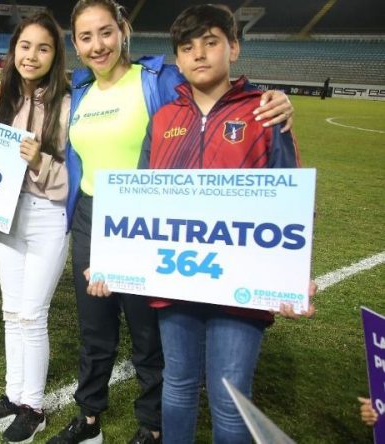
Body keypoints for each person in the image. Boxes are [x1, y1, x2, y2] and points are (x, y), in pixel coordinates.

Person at [48, 1, 295, 443]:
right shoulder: (81, 89)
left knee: (148, 332)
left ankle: (152, 423)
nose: (97, 44)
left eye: (106, 32)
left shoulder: (158, 78)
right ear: (76, 45)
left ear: (123, 31)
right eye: (86, 37)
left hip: (155, 222)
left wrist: (273, 99)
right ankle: (88, 416)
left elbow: (214, 96)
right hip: (93, 215)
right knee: (94, 324)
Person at [134, 6, 315, 443]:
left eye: (210, 42)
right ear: (177, 59)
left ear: (233, 47)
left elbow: (290, 197)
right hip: (176, 275)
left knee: (231, 395)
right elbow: (139, 198)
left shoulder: (265, 113)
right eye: (187, 47)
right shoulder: (162, 121)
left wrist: (296, 274)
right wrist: (116, 259)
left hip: (242, 282)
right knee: (177, 386)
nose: (199, 54)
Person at [0, 13, 70, 443]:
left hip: (50, 215)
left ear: (55, 55)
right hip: (8, 214)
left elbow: (73, 178)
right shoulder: (3, 94)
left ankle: (34, 407)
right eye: (25, 46)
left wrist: (39, 160)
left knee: (33, 314)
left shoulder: (68, 103)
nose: (32, 55)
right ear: (14, 50)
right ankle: (14, 395)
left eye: (43, 48)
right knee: (11, 312)